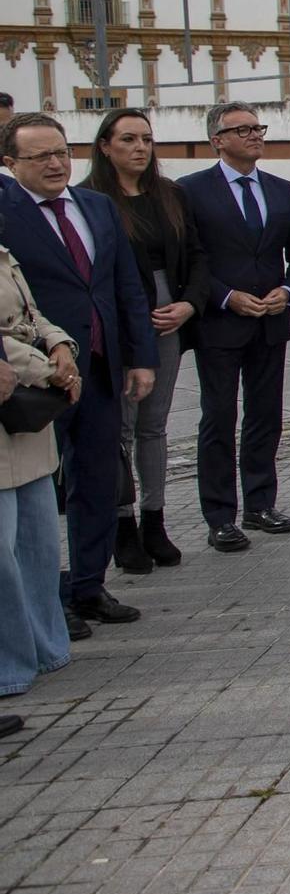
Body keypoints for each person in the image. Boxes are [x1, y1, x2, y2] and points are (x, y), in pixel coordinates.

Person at [2, 114, 156, 632]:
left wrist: (141, 356)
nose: (54, 163)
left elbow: (125, 285)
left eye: (61, 152)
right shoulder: (5, 213)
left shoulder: (95, 206)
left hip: (99, 365)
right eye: (39, 156)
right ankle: (46, 600)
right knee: (40, 490)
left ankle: (89, 585)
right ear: (10, 164)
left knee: (97, 479)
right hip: (36, 378)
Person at [178, 103, 290, 552]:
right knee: (218, 417)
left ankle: (260, 502)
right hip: (220, 322)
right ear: (218, 139)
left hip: (271, 320)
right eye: (243, 129)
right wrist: (225, 296)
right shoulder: (191, 191)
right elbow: (189, 260)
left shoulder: (281, 189)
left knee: (265, 414)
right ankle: (219, 515)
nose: (255, 135)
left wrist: (288, 292)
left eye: (258, 127)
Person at [85, 108, 204, 573]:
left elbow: (196, 255)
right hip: (118, 322)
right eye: (128, 139)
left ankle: (155, 518)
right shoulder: (91, 199)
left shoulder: (170, 195)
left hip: (168, 318)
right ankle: (123, 524)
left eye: (147, 139)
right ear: (105, 146)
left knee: (155, 424)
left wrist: (189, 304)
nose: (140, 148)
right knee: (121, 427)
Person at [1, 236, 77, 699]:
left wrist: (59, 345)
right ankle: (9, 666)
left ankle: (45, 648)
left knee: (38, 547)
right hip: (13, 397)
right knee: (3, 556)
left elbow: (30, 317)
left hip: (25, 424)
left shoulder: (6, 251)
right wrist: (47, 370)